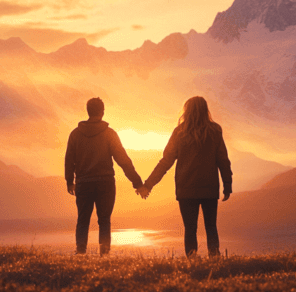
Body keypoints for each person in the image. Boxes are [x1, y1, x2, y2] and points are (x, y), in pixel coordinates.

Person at [137, 96, 232, 257]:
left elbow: (166, 162)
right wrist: (227, 184)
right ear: (205, 110)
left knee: (190, 228)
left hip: (186, 188)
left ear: (187, 111)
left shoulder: (179, 133)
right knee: (211, 226)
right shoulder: (215, 131)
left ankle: (192, 259)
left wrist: (148, 184)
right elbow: (223, 160)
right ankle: (215, 257)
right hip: (209, 187)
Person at [64, 97, 143, 255]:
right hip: (105, 183)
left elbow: (69, 160)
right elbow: (123, 160)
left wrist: (69, 182)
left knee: (83, 219)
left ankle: (80, 252)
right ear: (102, 111)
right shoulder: (109, 134)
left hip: (83, 183)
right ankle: (104, 254)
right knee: (104, 220)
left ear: (88, 111)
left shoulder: (75, 134)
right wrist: (138, 183)